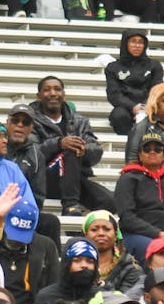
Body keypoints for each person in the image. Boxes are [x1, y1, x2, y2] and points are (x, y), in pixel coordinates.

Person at [28, 76, 110, 215]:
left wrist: (84, 150)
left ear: (64, 94)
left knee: (109, 202)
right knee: (70, 149)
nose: (53, 93)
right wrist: (59, 143)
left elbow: (96, 150)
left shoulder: (79, 120)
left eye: (57, 89)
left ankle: (78, 230)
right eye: (47, 90)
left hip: (74, 178)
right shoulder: (29, 120)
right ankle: (70, 205)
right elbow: (31, 152)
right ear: (39, 96)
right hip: (44, 179)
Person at [115, 129, 164, 258]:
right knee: (159, 253)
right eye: (147, 149)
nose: (152, 152)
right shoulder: (128, 178)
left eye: (157, 149)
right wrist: (158, 234)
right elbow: (127, 217)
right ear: (139, 154)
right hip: (137, 235)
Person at [105, 30, 164, 137]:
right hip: (125, 108)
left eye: (141, 42)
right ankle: (130, 141)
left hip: (150, 106)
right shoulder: (113, 67)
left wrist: (147, 107)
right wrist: (133, 107)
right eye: (133, 41)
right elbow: (114, 95)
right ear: (125, 43)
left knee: (163, 113)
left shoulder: (154, 65)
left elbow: (157, 89)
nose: (137, 45)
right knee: (118, 116)